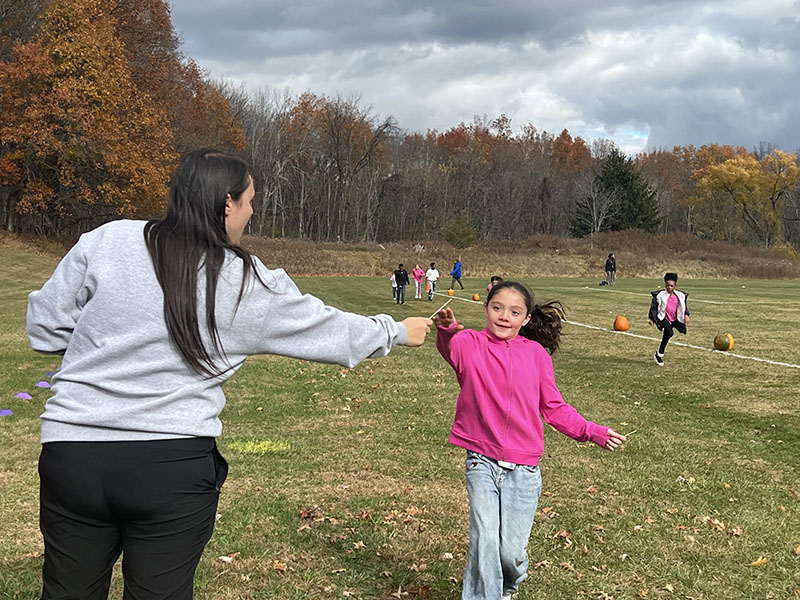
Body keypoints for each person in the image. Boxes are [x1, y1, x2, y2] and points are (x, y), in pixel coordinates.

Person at [26, 149, 433, 600]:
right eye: (250, 201)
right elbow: (330, 330)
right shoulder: (243, 280)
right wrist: (395, 330)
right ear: (226, 204)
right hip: (169, 467)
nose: (252, 211)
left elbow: (46, 327)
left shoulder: (107, 240)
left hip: (71, 457)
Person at [432, 280, 625, 600]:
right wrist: (447, 330)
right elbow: (452, 349)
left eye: (514, 311)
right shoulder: (470, 343)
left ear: (526, 319)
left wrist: (593, 431)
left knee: (509, 554)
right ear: (486, 309)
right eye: (497, 308)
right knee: (485, 543)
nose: (504, 316)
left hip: (523, 469)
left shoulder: (536, 355)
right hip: (481, 461)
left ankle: (507, 587)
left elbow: (554, 407)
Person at [648, 271, 691, 366]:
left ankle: (658, 354)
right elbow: (654, 307)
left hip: (674, 319)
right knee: (669, 332)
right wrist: (652, 318)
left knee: (669, 334)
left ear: (675, 286)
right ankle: (659, 353)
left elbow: (684, 306)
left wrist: (686, 315)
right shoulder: (660, 296)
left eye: (671, 286)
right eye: (667, 285)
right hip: (663, 318)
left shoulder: (679, 296)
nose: (669, 287)